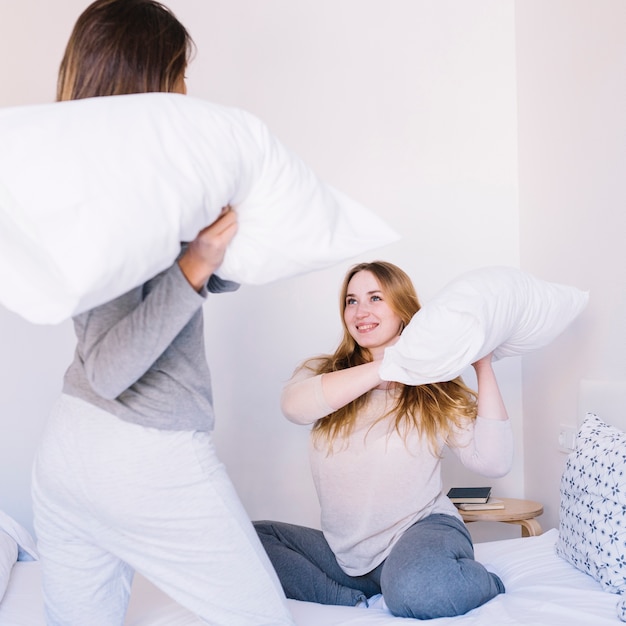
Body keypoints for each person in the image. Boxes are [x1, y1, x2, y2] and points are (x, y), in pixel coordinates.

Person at [31, 2, 294, 625]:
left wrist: (214, 257)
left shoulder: (110, 180)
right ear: (148, 78)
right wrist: (195, 266)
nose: (185, 91)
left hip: (70, 449)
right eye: (178, 74)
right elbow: (111, 365)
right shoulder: (112, 197)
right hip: (143, 455)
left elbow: (165, 291)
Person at [254, 260, 513, 620]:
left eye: (375, 298)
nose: (361, 311)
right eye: (351, 301)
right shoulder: (324, 374)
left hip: (420, 530)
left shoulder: (433, 388)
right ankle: (351, 598)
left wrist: (483, 366)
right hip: (345, 554)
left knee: (421, 590)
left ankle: (485, 584)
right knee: (247, 541)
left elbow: (494, 462)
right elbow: (293, 407)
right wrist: (389, 365)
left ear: (402, 306)